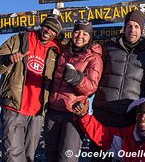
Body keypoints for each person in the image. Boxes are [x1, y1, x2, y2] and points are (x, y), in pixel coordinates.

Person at [0, 14, 61, 162]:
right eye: (47, 26)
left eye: (53, 30)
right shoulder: (19, 40)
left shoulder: (56, 50)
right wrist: (7, 59)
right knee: (12, 155)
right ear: (42, 25)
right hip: (14, 107)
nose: (48, 31)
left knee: (29, 156)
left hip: (38, 113)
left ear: (56, 34)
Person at [44, 19, 103, 162]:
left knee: (67, 157)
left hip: (73, 113)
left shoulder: (94, 58)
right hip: (53, 111)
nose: (80, 36)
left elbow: (92, 87)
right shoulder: (64, 53)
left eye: (85, 33)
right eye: (77, 32)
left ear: (90, 37)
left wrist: (77, 79)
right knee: (50, 155)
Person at [92, 9, 145, 128]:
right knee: (97, 146)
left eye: (136, 26)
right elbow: (95, 75)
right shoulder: (109, 48)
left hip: (130, 115)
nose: (132, 30)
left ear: (141, 30)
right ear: (125, 28)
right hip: (103, 112)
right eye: (129, 26)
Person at [72, 98, 145, 162]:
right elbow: (102, 134)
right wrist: (84, 116)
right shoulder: (127, 136)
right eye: (139, 114)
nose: (142, 118)